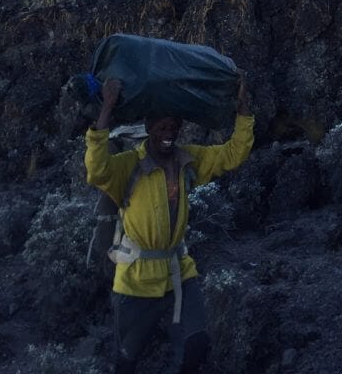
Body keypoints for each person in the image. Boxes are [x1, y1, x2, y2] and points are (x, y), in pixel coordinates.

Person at [85, 72, 254, 374]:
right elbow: (97, 170)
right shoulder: (128, 166)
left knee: (196, 345)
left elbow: (233, 153)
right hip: (136, 280)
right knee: (126, 358)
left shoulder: (188, 161)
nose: (168, 133)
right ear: (148, 128)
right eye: (162, 126)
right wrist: (107, 106)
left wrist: (242, 108)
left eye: (174, 127)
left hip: (179, 274)